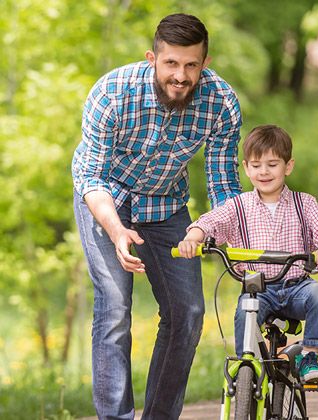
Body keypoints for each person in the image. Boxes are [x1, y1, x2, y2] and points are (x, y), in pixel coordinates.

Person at [72, 13, 242, 420]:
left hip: (167, 204)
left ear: (204, 62)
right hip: (107, 199)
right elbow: (92, 176)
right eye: (171, 63)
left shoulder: (221, 103)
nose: (180, 75)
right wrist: (116, 231)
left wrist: (225, 234)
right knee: (115, 307)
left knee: (188, 314)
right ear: (153, 58)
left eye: (191, 65)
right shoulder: (112, 93)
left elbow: (222, 183)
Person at [177, 124, 318, 383]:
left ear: (288, 167)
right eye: (256, 165)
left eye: (272, 164)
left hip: (297, 287)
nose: (264, 172)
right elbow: (210, 222)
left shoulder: (304, 203)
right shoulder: (238, 206)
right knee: (246, 310)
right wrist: (192, 238)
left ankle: (308, 356)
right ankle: (247, 366)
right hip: (258, 290)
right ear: (246, 168)